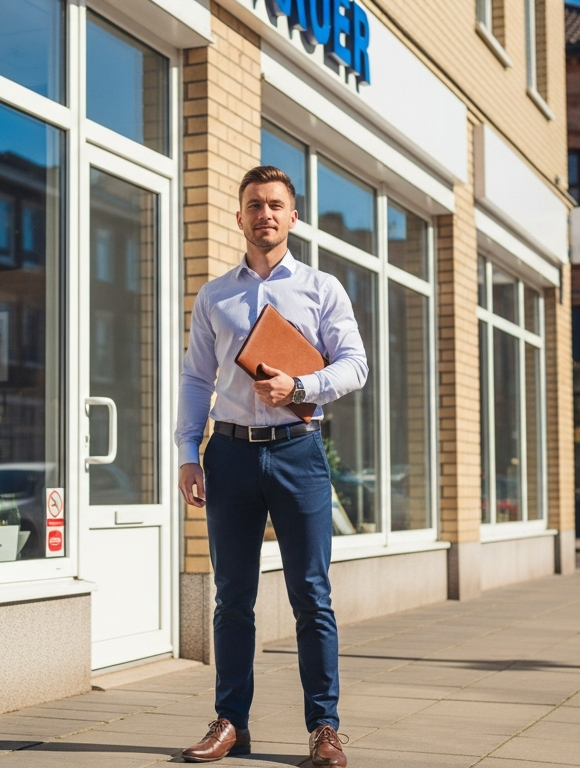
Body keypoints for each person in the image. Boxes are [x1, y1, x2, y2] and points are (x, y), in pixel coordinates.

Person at [174, 166, 367, 766]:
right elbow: (196, 378)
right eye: (255, 204)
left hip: (297, 451)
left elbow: (356, 365)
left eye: (276, 205)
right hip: (228, 454)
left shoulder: (321, 288)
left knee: (312, 595)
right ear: (239, 216)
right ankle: (231, 722)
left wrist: (300, 383)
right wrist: (187, 452)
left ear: (293, 216)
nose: (266, 214)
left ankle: (325, 729)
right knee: (232, 598)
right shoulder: (215, 296)